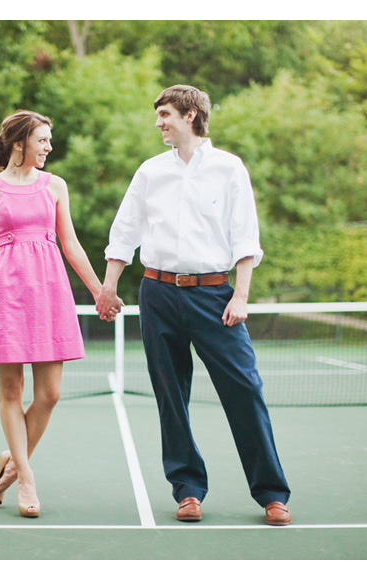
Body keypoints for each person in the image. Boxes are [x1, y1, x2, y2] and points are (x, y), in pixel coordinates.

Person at [96, 85, 292, 525]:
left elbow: (245, 237)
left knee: (245, 390)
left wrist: (240, 295)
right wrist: (108, 287)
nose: (158, 122)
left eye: (165, 114)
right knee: (171, 396)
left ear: (190, 114)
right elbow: (124, 232)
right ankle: (187, 490)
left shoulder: (229, 168)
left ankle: (272, 494)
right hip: (157, 293)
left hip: (214, 296)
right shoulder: (150, 172)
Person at [0, 110, 122, 518]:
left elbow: (70, 243)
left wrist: (99, 291)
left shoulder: (55, 186)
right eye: (42, 140)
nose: (49, 147)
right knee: (11, 392)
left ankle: (11, 462)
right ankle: (26, 478)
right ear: (19, 143)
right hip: (5, 294)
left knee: (50, 394)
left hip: (50, 292)